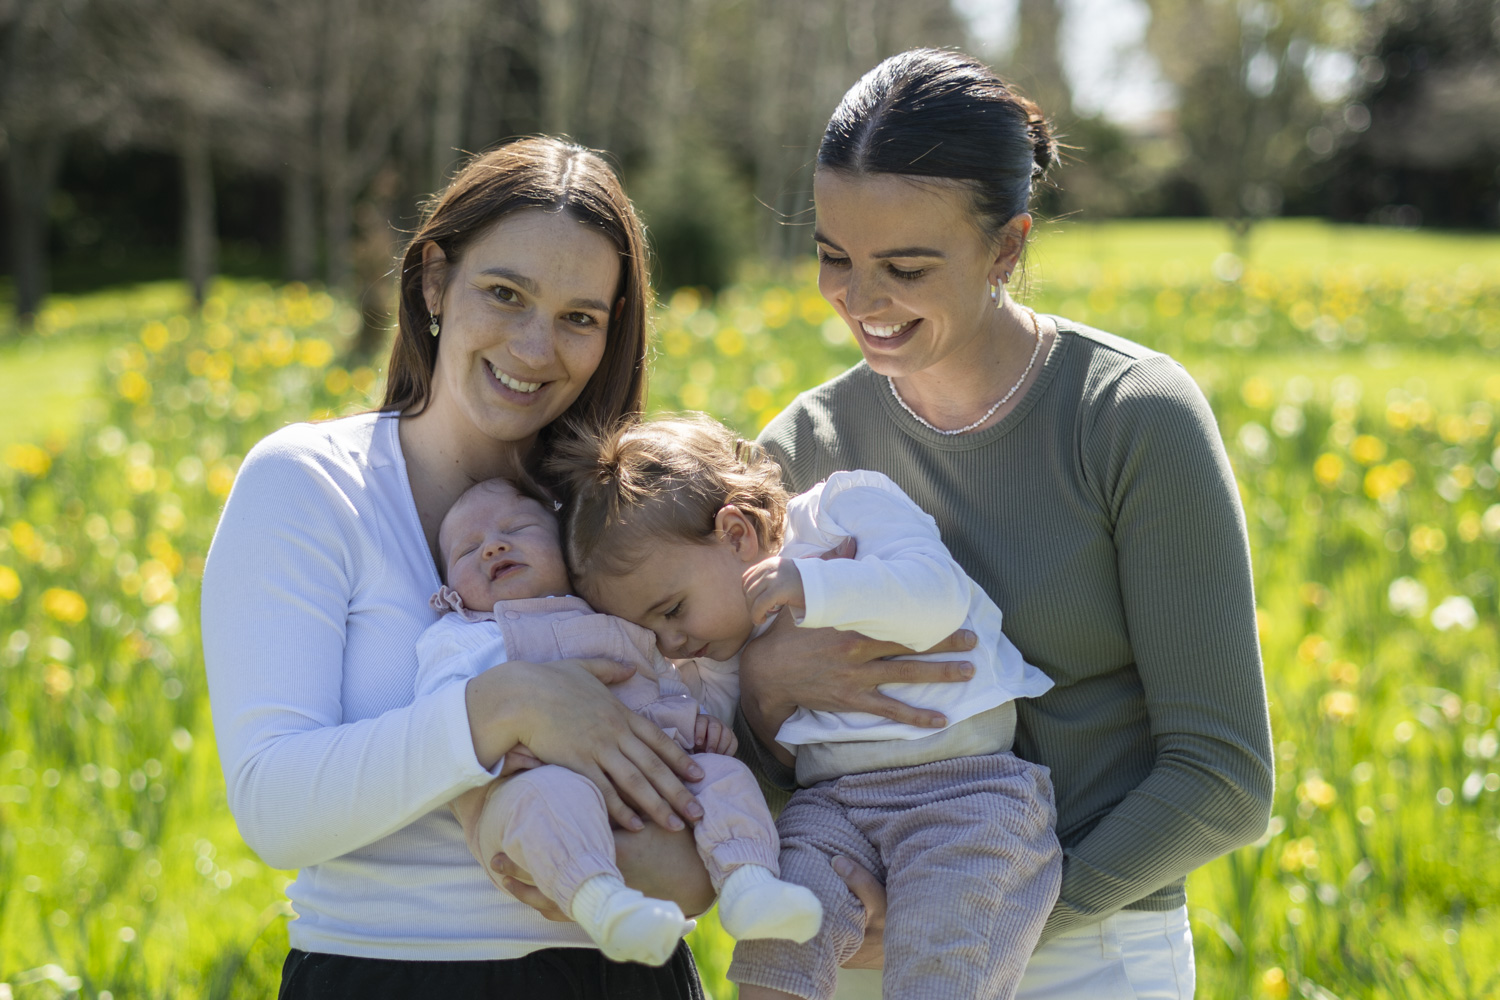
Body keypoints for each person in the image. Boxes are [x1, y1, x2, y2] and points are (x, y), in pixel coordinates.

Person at [731, 48, 1275, 998]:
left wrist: (988, 920)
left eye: (904, 266)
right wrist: (763, 696)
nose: (858, 301)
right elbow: (724, 742)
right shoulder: (804, 445)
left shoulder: (1130, 417)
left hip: (1090, 949)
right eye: (833, 257)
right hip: (862, 945)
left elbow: (1222, 777)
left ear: (1007, 247)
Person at [201, 137, 718, 999]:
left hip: (623, 974)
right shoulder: (310, 485)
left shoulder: (622, 512)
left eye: (579, 317)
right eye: (505, 294)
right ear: (435, 282)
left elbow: (706, 743)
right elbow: (274, 809)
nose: (534, 347)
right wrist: (505, 708)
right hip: (388, 975)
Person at [548, 413, 1064, 1000]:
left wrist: (813, 588)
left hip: (967, 791)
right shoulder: (714, 656)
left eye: (670, 611)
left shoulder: (843, 509)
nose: (670, 644)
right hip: (833, 808)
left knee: (941, 963)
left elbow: (938, 595)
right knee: (779, 937)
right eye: (648, 631)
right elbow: (719, 750)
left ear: (737, 534)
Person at [414, 476, 823, 966]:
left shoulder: (615, 620)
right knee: (544, 803)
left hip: (650, 774)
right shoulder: (461, 636)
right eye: (466, 551)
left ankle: (749, 884)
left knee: (721, 775)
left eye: (518, 528)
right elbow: (441, 712)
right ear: (448, 589)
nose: (493, 546)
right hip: (530, 778)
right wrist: (494, 739)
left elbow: (664, 687)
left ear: (567, 551)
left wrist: (697, 728)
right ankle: (606, 905)